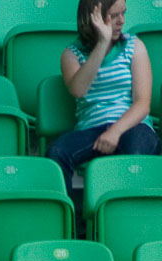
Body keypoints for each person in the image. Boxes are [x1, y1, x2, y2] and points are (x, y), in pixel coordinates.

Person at [47, 0, 158, 198]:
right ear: (94, 17)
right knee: (56, 152)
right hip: (92, 130)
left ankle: (129, 217)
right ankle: (68, 220)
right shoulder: (71, 54)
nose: (121, 21)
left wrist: (115, 132)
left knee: (137, 152)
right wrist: (102, 44)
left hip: (132, 126)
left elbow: (142, 104)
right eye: (114, 16)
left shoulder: (134, 46)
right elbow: (78, 90)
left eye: (123, 13)